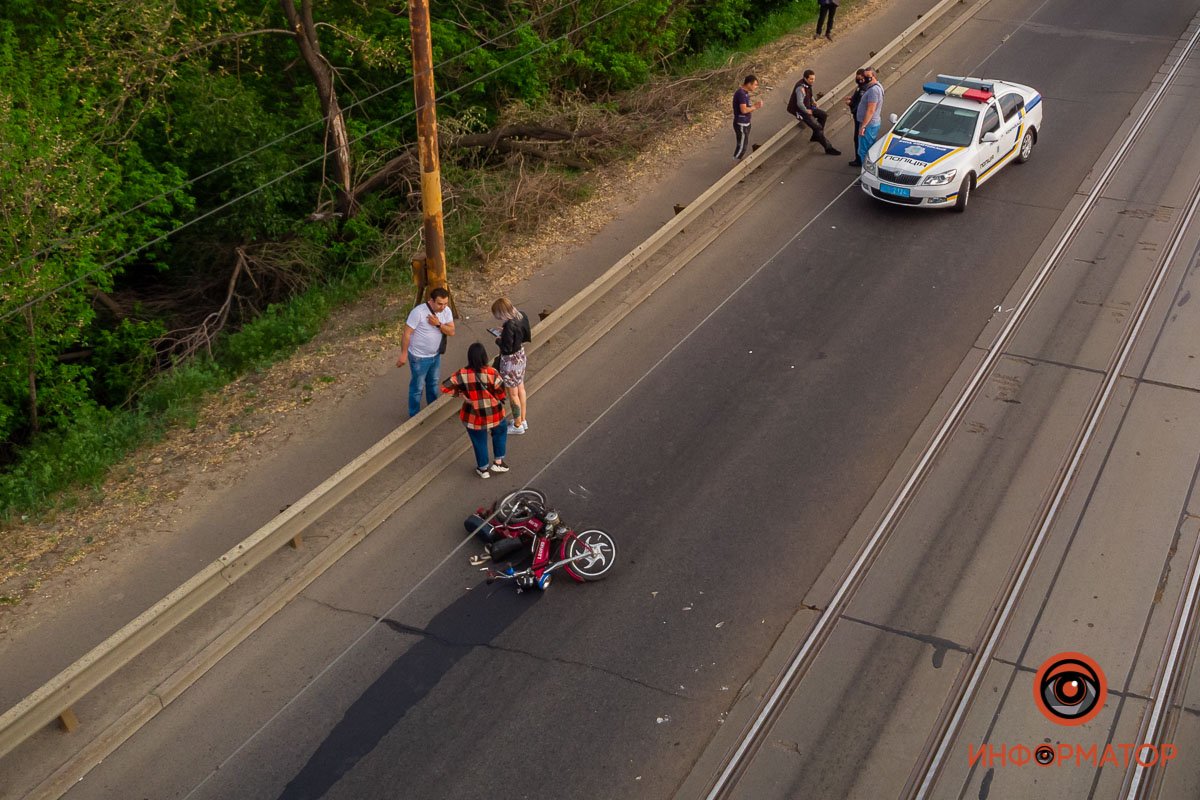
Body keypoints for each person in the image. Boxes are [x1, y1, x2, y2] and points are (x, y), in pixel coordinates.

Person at [441, 342, 510, 479]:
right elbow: (502, 392)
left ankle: (483, 469)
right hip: (494, 413)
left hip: (473, 416)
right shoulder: (492, 372)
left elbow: (445, 387)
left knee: (479, 441)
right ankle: (498, 461)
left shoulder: (462, 373)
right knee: (500, 432)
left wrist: (461, 395)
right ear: (484, 356)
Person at [396, 287, 455, 417]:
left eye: (445, 303)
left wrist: (438, 324)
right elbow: (407, 333)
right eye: (440, 303)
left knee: (433, 382)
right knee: (417, 387)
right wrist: (404, 354)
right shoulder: (418, 312)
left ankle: (432, 410)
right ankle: (414, 415)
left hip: (435, 355)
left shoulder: (446, 311)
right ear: (431, 301)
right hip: (419, 357)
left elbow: (451, 331)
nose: (443, 307)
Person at [491, 297, 532, 435]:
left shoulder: (509, 326)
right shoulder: (521, 315)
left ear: (502, 313)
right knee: (521, 388)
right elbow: (522, 334)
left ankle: (517, 424)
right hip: (520, 356)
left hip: (510, 363)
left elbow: (507, 348)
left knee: (513, 394)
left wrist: (499, 340)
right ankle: (523, 419)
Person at [788, 70, 840, 155]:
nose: (813, 81)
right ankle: (828, 148)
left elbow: (810, 94)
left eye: (814, 79)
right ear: (805, 78)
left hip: (808, 106)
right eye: (811, 79)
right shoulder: (800, 88)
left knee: (823, 115)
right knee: (818, 127)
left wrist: (813, 101)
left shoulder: (808, 85)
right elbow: (799, 103)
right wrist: (806, 111)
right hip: (801, 110)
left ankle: (816, 136)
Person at [855, 67, 885, 168]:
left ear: (874, 76)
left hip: (869, 124)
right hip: (871, 124)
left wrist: (863, 126)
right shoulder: (875, 87)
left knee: (864, 151)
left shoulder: (874, 90)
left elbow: (871, 110)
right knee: (868, 148)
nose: (866, 79)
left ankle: (866, 173)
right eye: (865, 76)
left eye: (868, 77)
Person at [733, 75, 764, 161]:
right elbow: (744, 110)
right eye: (755, 84)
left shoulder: (745, 94)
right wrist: (755, 107)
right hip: (741, 123)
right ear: (749, 84)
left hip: (746, 122)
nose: (756, 87)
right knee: (742, 146)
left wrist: (753, 107)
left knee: (743, 143)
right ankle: (736, 165)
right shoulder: (741, 94)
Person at [844, 69, 868, 166]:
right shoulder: (860, 87)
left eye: (861, 79)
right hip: (858, 116)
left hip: (860, 117)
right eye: (858, 79)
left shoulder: (864, 89)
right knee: (858, 139)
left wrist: (851, 104)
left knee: (859, 139)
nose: (860, 81)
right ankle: (859, 159)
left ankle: (860, 160)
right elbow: (856, 97)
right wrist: (852, 98)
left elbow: (860, 105)